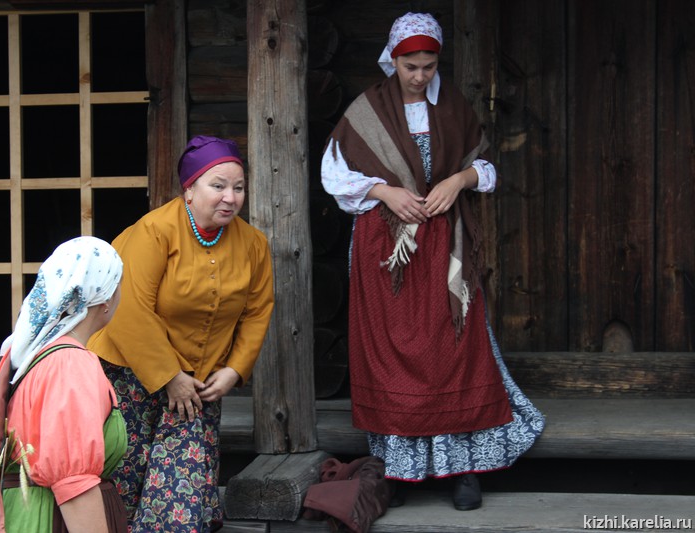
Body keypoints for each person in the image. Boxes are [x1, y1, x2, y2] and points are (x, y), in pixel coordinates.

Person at [320, 12, 545, 511]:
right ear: (392, 60)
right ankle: (401, 469)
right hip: (387, 249)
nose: (420, 76)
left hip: (446, 243)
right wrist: (385, 192)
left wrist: (457, 181)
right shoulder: (366, 111)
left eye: (428, 66)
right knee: (394, 352)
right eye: (410, 66)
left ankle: (463, 470)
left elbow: (485, 168)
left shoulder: (454, 107)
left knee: (454, 349)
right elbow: (333, 174)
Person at [88, 135, 275, 532]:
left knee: (178, 488)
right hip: (130, 372)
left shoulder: (253, 244)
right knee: (125, 473)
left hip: (198, 381)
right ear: (189, 189)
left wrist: (235, 369)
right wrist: (169, 376)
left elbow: (258, 311)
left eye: (238, 188)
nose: (230, 198)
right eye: (218, 186)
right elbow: (128, 307)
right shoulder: (154, 232)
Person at [0, 236, 126, 532]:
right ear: (105, 296)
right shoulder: (69, 364)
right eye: (119, 284)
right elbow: (74, 484)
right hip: (47, 520)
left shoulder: (39, 354)